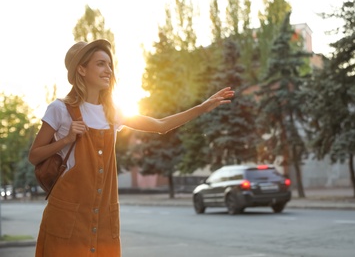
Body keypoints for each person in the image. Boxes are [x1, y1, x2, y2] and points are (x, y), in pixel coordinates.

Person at [28, 39, 234, 257]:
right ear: (81, 69)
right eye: (100, 64)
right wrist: (66, 139)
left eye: (109, 65)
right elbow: (34, 155)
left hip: (103, 217)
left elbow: (160, 125)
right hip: (67, 215)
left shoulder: (112, 112)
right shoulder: (60, 109)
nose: (108, 70)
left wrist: (202, 107)